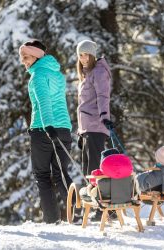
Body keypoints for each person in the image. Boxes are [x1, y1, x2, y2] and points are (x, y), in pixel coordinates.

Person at [19, 39, 73, 224]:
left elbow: (44, 101)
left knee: (42, 175)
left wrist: (48, 126)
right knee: (61, 173)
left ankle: (51, 219)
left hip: (44, 130)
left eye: (26, 57)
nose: (23, 61)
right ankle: (78, 213)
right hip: (64, 129)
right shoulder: (58, 75)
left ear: (36, 56)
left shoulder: (38, 75)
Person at [76, 40, 113, 221]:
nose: (83, 58)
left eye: (86, 54)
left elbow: (103, 95)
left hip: (96, 126)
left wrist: (105, 116)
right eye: (80, 55)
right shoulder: (87, 73)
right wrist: (80, 131)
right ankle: (95, 206)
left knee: (95, 170)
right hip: (87, 128)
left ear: (92, 55)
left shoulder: (98, 71)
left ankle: (105, 209)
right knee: (88, 169)